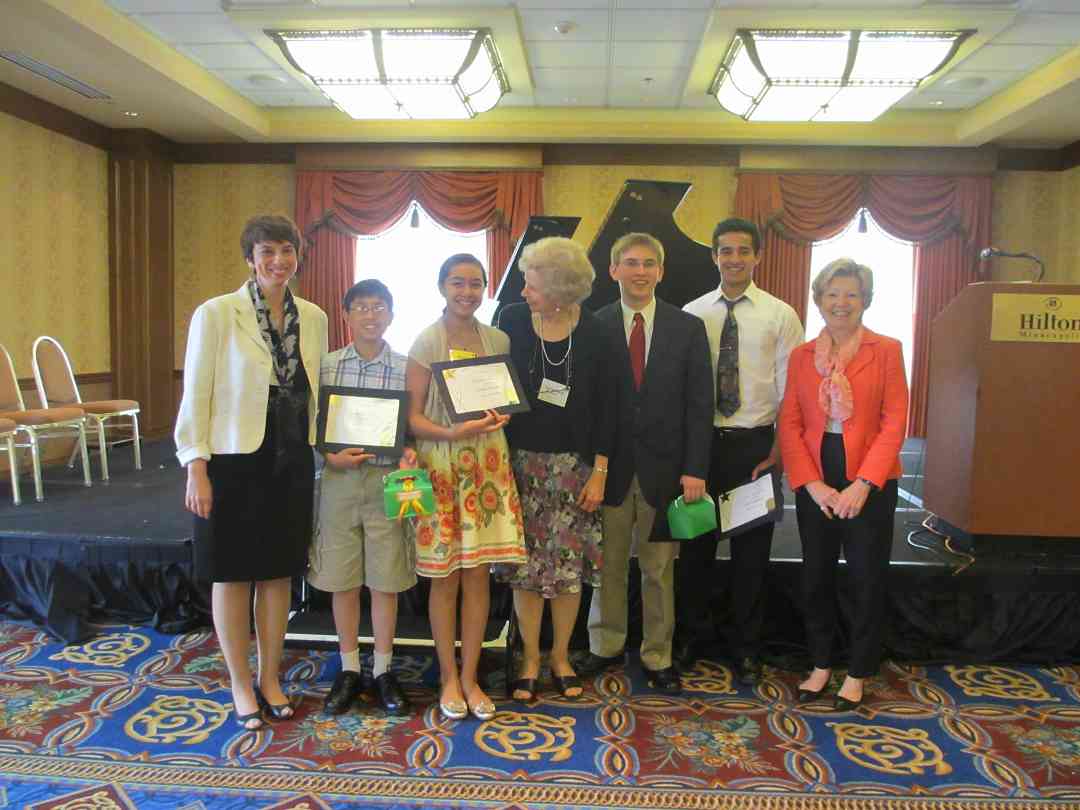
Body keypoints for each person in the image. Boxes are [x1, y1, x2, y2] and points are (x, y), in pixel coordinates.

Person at [176, 214, 328, 730]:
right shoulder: (217, 313)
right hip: (233, 458)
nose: (278, 261)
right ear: (250, 258)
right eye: (267, 252)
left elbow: (318, 392)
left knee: (278, 570)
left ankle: (270, 677)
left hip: (291, 458)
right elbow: (195, 391)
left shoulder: (314, 315)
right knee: (233, 571)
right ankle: (240, 683)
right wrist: (195, 466)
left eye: (286, 251)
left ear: (297, 256)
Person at [578, 232, 713, 695]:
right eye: (630, 262)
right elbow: (590, 405)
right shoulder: (594, 326)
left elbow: (700, 405)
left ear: (661, 271)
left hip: (666, 472)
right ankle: (605, 646)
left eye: (649, 263)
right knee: (608, 565)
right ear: (613, 270)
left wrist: (695, 469)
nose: (640, 271)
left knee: (658, 570)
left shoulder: (687, 328)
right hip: (609, 471)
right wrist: (589, 469)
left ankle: (658, 654)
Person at [777, 258, 908, 711]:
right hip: (817, 474)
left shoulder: (886, 349)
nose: (841, 303)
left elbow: (894, 422)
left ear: (865, 300)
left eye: (851, 294)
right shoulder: (800, 357)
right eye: (832, 294)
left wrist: (863, 484)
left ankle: (858, 670)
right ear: (818, 300)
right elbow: (790, 424)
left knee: (865, 578)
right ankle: (820, 664)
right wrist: (812, 484)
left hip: (869, 477)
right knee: (815, 577)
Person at [679, 217, 804, 684]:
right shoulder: (692, 312)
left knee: (752, 556)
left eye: (743, 251)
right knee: (695, 552)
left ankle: (746, 647)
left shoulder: (781, 315)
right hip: (701, 448)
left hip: (756, 449)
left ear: (758, 256)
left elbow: (792, 392)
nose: (734, 259)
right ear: (713, 256)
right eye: (725, 251)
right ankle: (691, 638)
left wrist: (780, 451)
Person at [406, 253, 527, 720]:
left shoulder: (497, 337)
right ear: (442, 286)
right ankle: (447, 676)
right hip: (442, 464)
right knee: (445, 578)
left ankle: (472, 675)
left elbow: (505, 400)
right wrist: (450, 433)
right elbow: (413, 418)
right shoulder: (425, 340)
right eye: (458, 283)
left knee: (478, 576)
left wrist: (503, 414)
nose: (467, 292)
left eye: (476, 284)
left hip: (488, 467)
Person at [493, 237, 614, 702]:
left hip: (575, 468)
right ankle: (528, 659)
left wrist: (601, 470)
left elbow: (612, 407)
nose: (523, 291)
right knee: (525, 570)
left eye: (532, 283)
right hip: (520, 465)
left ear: (561, 289)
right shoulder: (513, 321)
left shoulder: (598, 332)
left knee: (567, 571)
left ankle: (561, 656)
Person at [309, 280, 416, 718]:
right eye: (361, 308)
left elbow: (412, 426)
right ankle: (351, 668)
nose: (370, 315)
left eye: (378, 307)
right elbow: (316, 425)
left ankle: (385, 669)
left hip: (388, 480)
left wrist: (410, 451)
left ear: (390, 314)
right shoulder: (327, 366)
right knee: (342, 576)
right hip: (340, 480)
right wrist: (329, 453)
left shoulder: (407, 366)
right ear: (347, 315)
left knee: (386, 577)